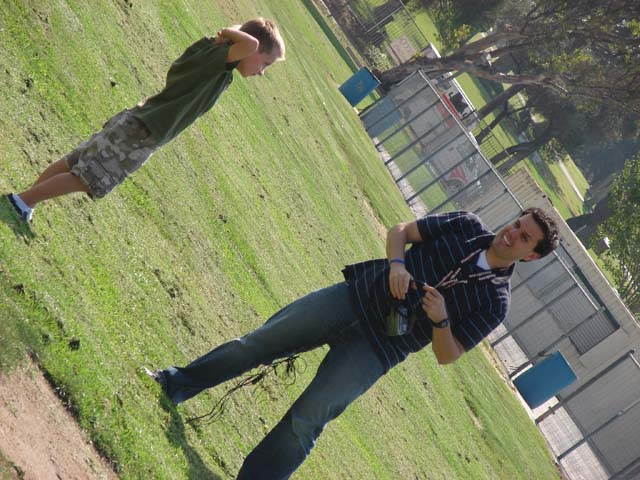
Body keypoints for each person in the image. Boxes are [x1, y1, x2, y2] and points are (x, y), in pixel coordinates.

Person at [147, 208, 559, 479]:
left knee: (306, 420)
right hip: (354, 296)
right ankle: (174, 382)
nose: (513, 234)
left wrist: (441, 319)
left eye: (524, 238)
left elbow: (447, 354)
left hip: (380, 348)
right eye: (517, 224)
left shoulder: (496, 302)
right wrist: (397, 264)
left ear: (532, 256)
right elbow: (401, 231)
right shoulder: (466, 225)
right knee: (256, 344)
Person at [6, 18, 285, 222]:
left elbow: (248, 40)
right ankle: (23, 200)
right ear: (250, 48)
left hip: (137, 120)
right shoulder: (218, 59)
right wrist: (231, 33)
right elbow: (251, 43)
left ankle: (25, 201)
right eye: (265, 63)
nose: (262, 71)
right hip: (143, 132)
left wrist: (230, 32)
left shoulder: (213, 52)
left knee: (75, 161)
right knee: (87, 179)